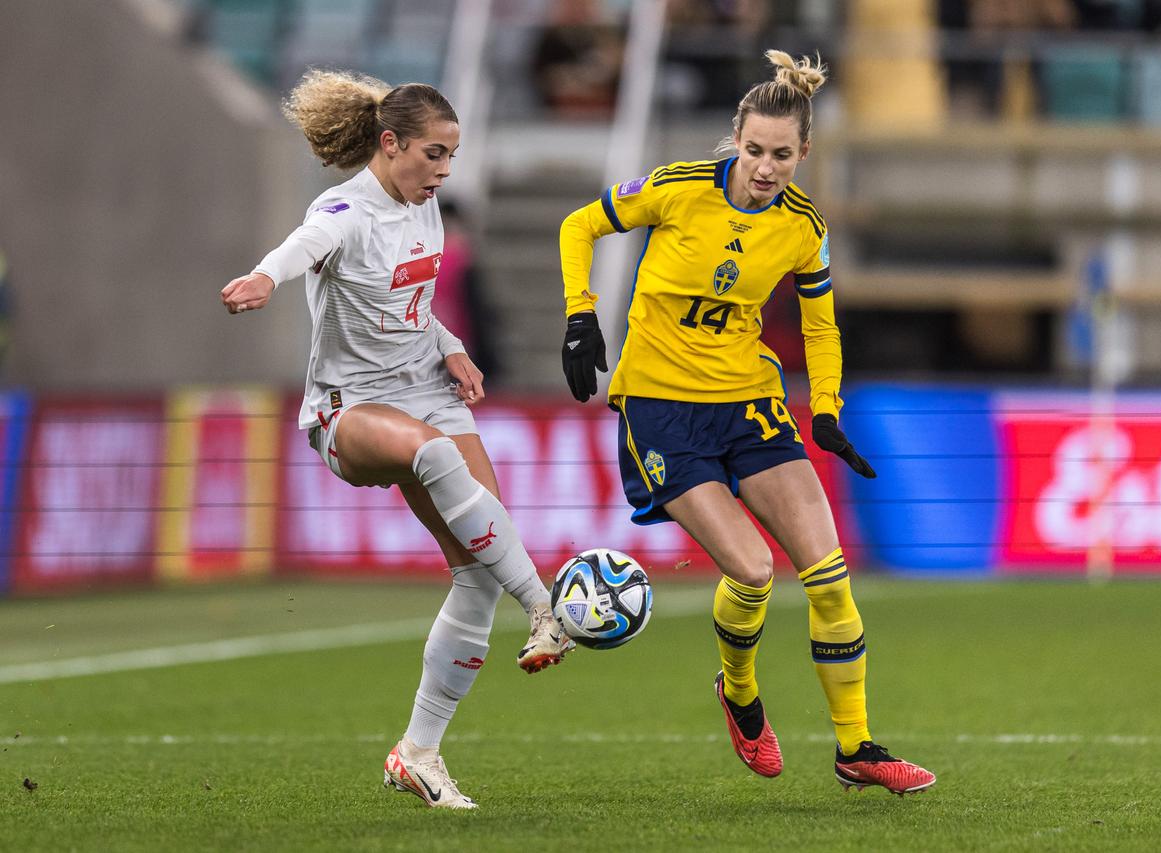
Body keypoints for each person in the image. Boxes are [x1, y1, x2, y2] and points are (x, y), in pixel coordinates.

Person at [557, 51, 936, 795]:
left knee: (829, 577)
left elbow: (821, 327)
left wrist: (825, 407)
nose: (765, 168)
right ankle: (738, 691)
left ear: (805, 154)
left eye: (782, 155)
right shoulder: (676, 187)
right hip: (663, 407)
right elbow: (579, 225)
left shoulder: (803, 227)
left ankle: (856, 746)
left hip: (749, 402)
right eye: (754, 150)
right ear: (735, 137)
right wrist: (579, 313)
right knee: (756, 572)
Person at [220, 69, 572, 810]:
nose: (444, 171)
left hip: (425, 388)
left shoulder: (425, 211)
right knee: (438, 458)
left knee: (479, 563)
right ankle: (546, 608)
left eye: (452, 156)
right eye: (434, 154)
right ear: (390, 144)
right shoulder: (346, 209)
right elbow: (303, 244)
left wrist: (448, 343)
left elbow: (410, 302)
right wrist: (262, 276)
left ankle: (418, 752)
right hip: (348, 411)